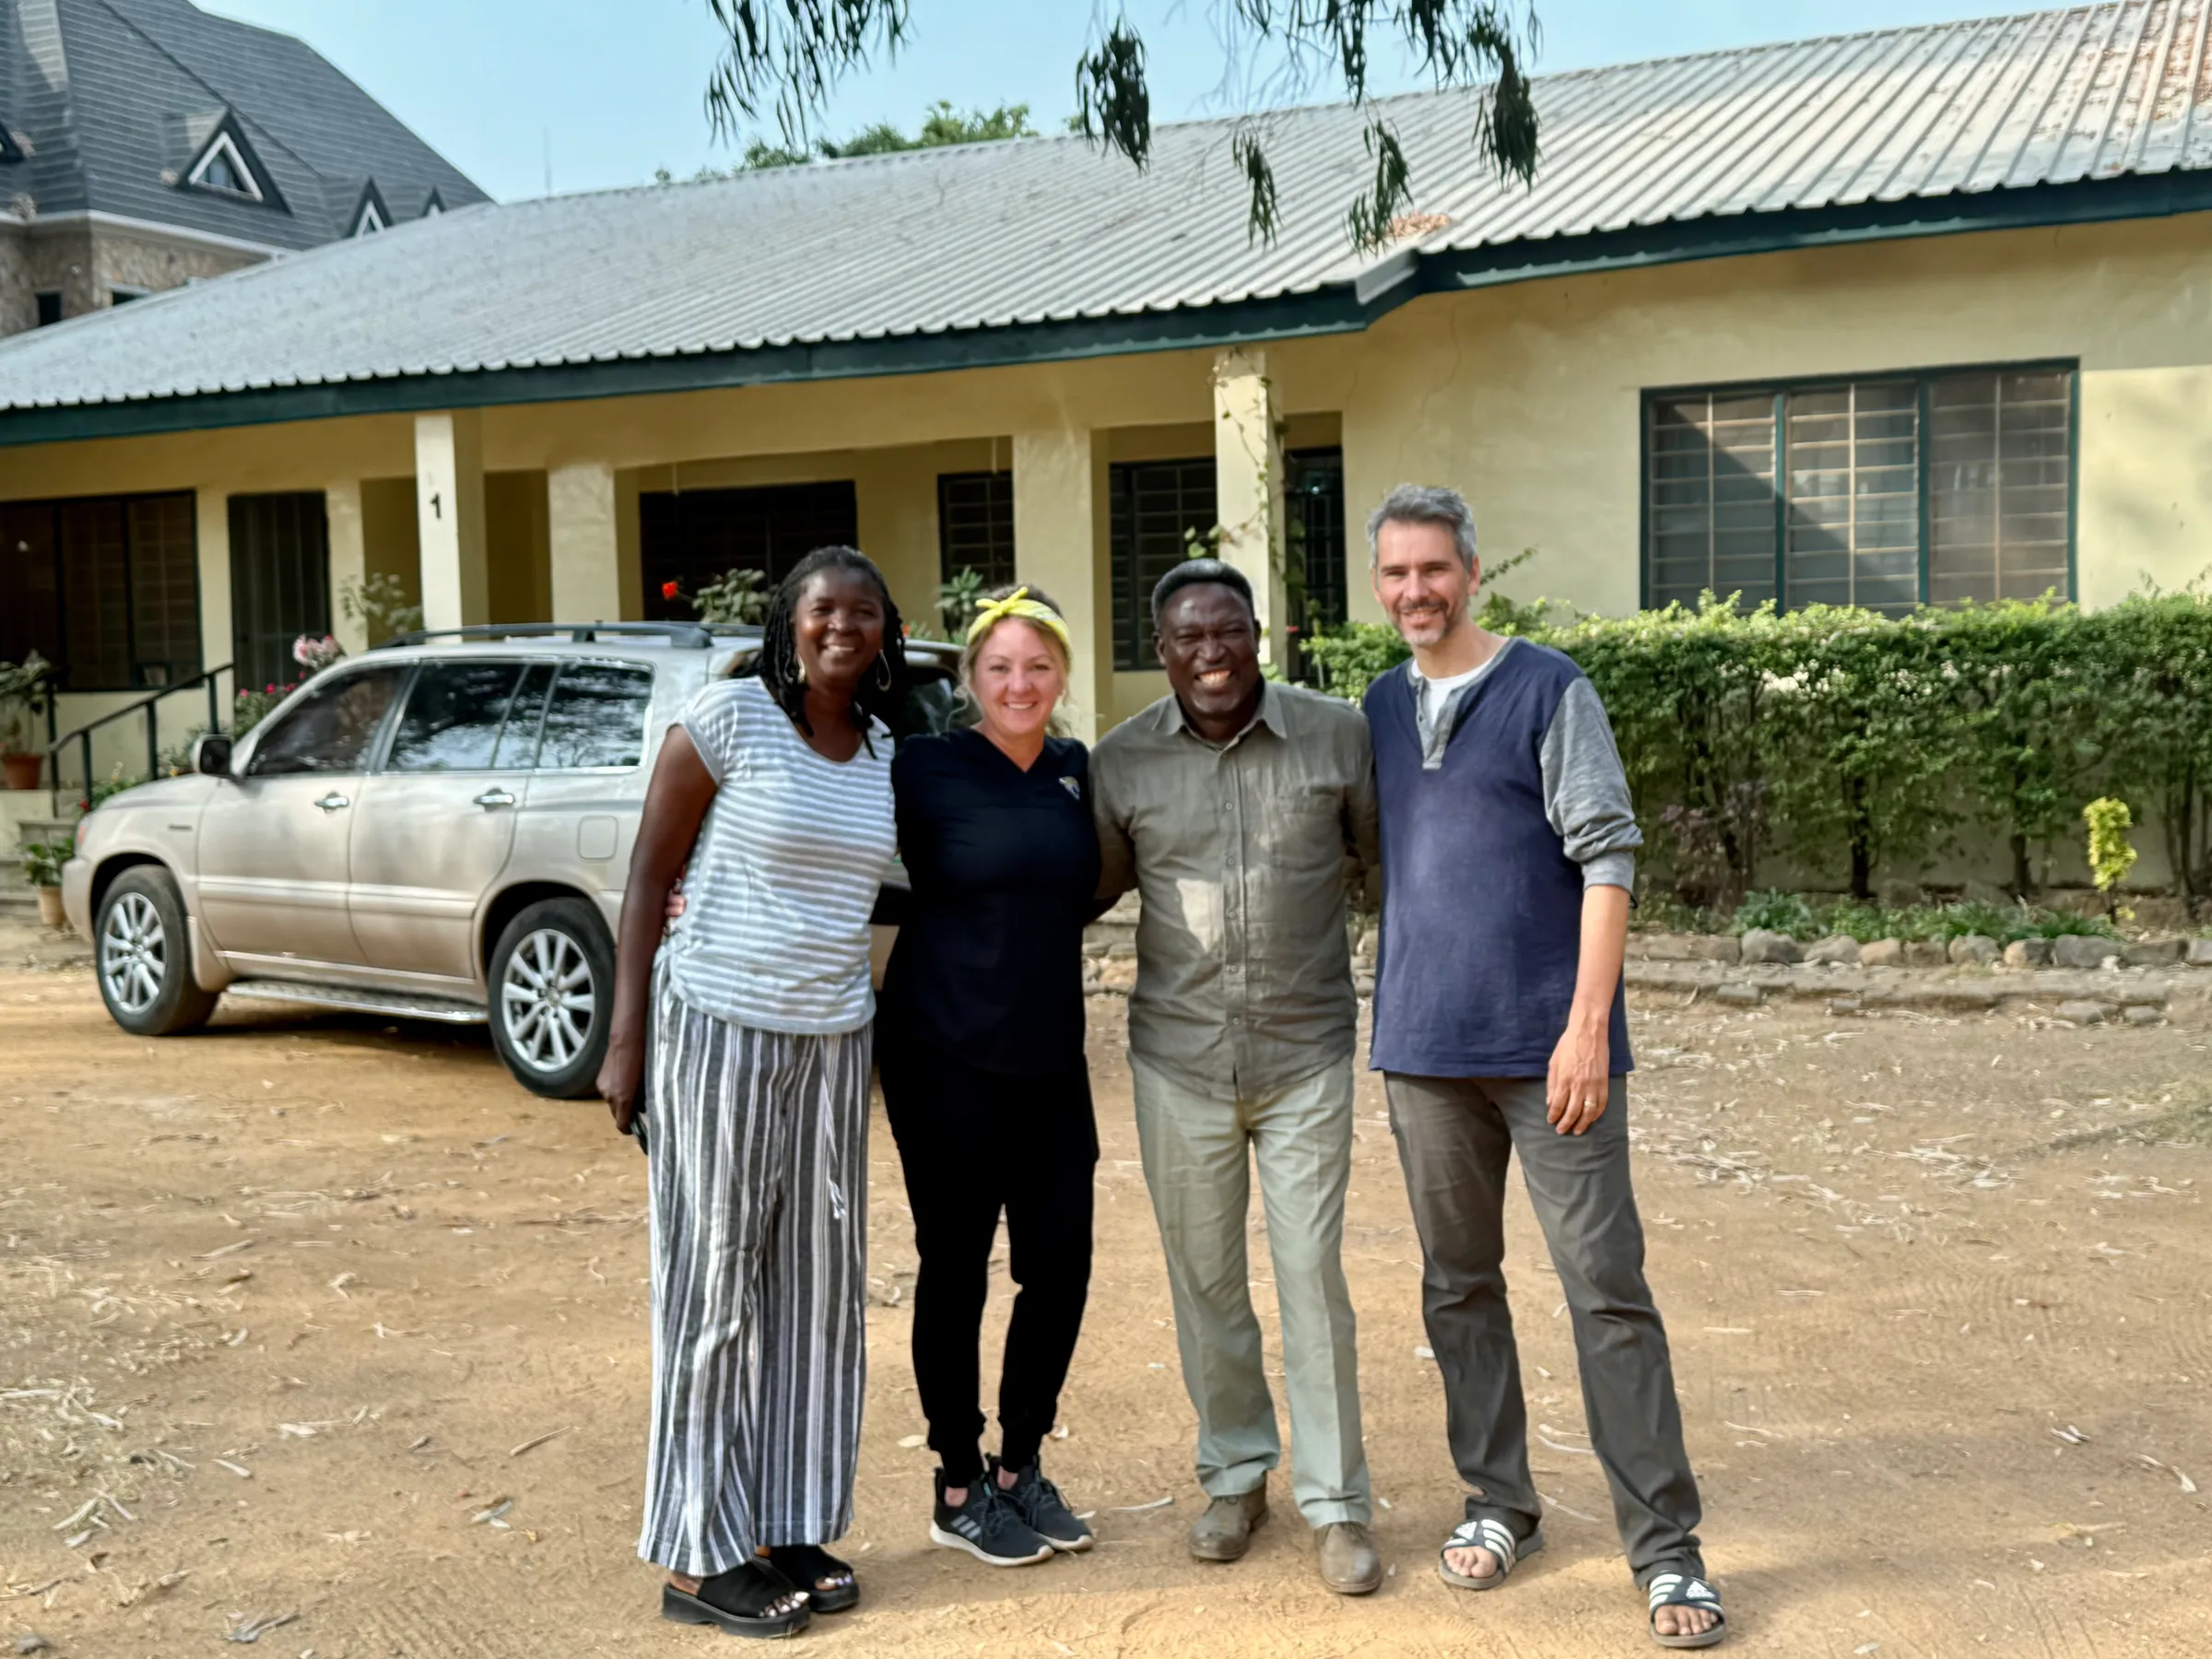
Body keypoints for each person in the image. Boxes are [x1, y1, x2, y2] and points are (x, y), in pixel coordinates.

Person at [1359, 485, 1724, 1650]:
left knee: (1606, 1291)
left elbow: (1609, 858)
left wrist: (1586, 1028)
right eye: (1395, 572)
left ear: (1472, 573)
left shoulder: (1548, 689)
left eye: (1434, 568)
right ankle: (1499, 1499)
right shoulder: (1378, 706)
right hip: (1423, 1050)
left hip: (1549, 1051)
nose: (1416, 590)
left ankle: (1666, 1551)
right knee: (1458, 1285)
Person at [597, 546, 906, 1639]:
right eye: (824, 610)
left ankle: (787, 1523)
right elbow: (648, 876)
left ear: (884, 632)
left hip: (832, 1041)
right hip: (717, 1027)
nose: (843, 628)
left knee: (818, 1293)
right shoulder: (726, 719)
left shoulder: (882, 749)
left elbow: (874, 893)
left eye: (863, 613)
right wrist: (624, 1039)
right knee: (714, 1285)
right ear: (788, 621)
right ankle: (696, 1552)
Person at [1090, 559, 1383, 1597]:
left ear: (1260, 634)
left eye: (1229, 631)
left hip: (1306, 1054)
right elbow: (1083, 888)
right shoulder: (1119, 763)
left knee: (1311, 1279)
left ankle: (1337, 1504)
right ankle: (1235, 1475)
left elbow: (1384, 865)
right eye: (1189, 637)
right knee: (1206, 1283)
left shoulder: (1337, 736)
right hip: (1179, 1061)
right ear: (1161, 649)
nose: (1211, 653)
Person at [877, 585, 1101, 1569]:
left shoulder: (1073, 769)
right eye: (1000, 666)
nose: (1020, 684)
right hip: (943, 1053)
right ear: (971, 676)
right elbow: (829, 840)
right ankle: (959, 1482)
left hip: (1050, 1057)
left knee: (1060, 1266)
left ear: (1061, 675)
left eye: (1038, 666)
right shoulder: (922, 766)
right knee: (956, 1267)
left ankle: (1020, 1465)